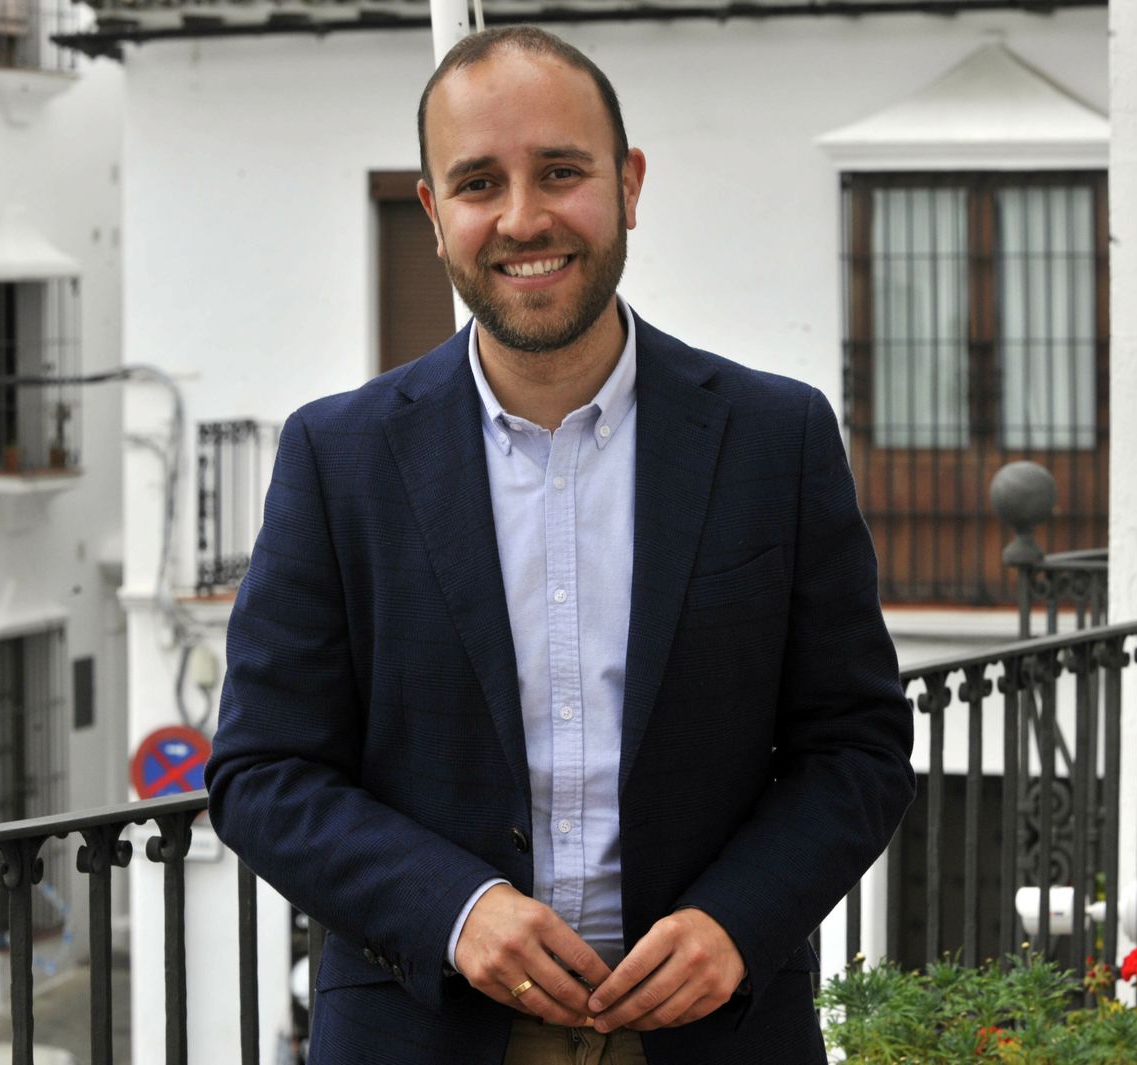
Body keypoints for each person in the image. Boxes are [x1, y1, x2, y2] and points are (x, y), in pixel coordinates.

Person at [205, 26, 914, 1065]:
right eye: (479, 183)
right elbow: (263, 771)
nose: (523, 218)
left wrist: (734, 923)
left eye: (562, 172)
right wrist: (455, 909)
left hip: (712, 1038)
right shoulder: (337, 455)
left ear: (628, 184)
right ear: (434, 214)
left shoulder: (776, 437)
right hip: (422, 1031)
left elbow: (854, 748)